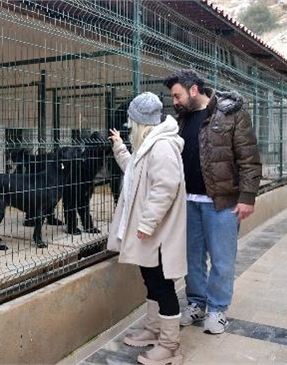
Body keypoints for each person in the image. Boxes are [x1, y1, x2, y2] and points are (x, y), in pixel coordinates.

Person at [163, 69, 262, 335]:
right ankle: (197, 303)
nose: (175, 101)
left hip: (222, 202)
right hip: (188, 201)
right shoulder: (181, 120)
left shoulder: (231, 114)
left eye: (177, 95)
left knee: (221, 258)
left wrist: (247, 197)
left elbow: (249, 158)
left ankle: (217, 309)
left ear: (194, 90)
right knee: (192, 257)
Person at [107, 92, 187, 365]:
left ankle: (170, 346)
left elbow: (165, 188)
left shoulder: (162, 147)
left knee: (163, 286)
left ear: (141, 122)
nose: (129, 127)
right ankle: (154, 329)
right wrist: (119, 146)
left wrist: (146, 223)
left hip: (157, 234)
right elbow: (133, 171)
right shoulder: (149, 146)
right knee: (151, 281)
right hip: (148, 235)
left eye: (131, 122)